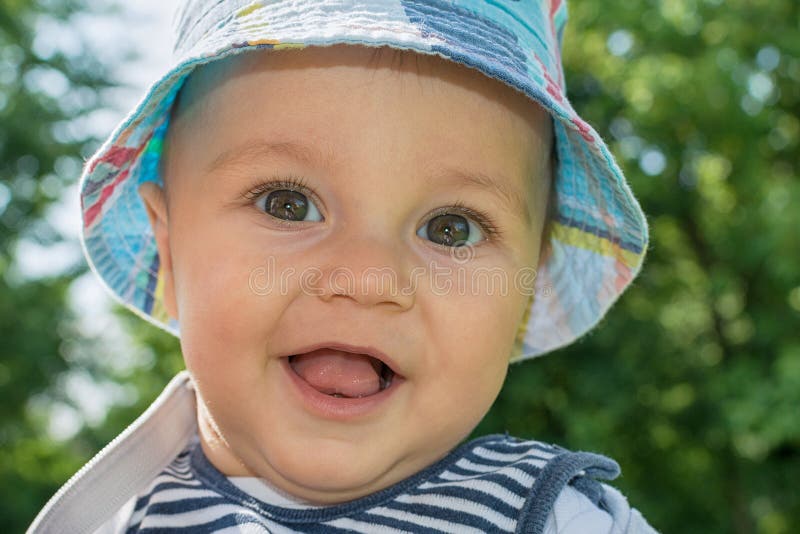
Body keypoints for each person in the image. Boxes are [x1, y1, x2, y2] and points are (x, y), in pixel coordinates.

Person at [29, 1, 658, 532]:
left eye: (450, 228)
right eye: (288, 204)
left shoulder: (555, 517)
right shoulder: (120, 515)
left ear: (524, 286)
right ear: (168, 249)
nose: (367, 279)